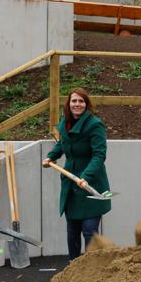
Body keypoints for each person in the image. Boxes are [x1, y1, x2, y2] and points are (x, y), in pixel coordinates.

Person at [42, 89, 111, 260]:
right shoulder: (66, 124)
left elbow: (99, 155)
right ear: (69, 104)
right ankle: (73, 269)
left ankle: (91, 270)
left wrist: (86, 176)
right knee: (72, 232)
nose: (77, 104)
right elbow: (62, 144)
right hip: (71, 185)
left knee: (89, 230)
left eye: (81, 101)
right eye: (74, 101)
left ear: (86, 104)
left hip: (90, 185)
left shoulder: (95, 125)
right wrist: (51, 156)